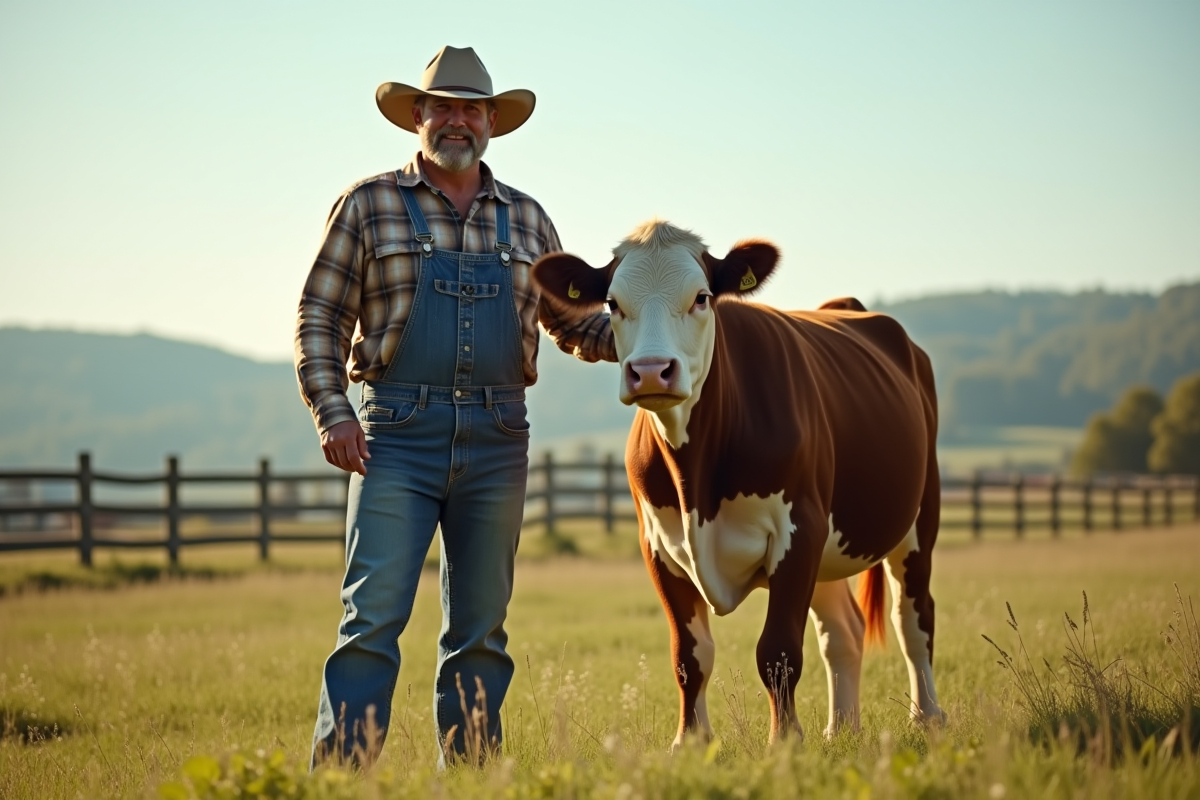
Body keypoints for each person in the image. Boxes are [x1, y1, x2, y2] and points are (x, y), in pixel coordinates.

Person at [293, 45, 613, 766]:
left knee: (480, 629)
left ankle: (469, 777)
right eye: (444, 107)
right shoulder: (369, 203)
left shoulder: (529, 220)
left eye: (473, 109)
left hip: (499, 440)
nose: (458, 120)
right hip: (393, 438)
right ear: (416, 116)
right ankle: (343, 778)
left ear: (493, 122)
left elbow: (571, 326)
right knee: (371, 619)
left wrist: (653, 335)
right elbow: (320, 315)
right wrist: (332, 410)